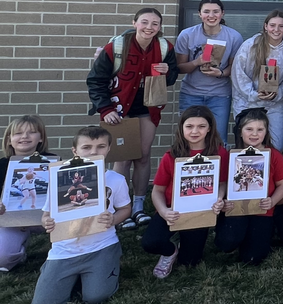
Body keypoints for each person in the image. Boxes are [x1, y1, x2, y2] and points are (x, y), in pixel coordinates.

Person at [86, 7, 179, 229]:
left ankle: (138, 206)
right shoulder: (117, 46)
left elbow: (172, 77)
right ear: (134, 22)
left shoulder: (164, 47)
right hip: (119, 107)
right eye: (144, 22)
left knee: (143, 155)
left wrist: (168, 71)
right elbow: (96, 80)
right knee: (123, 157)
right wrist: (105, 109)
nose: (149, 27)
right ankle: (120, 207)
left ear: (160, 27)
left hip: (148, 107)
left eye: (155, 23)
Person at [32, 127, 130, 304]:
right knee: (44, 301)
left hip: (102, 246)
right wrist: (46, 222)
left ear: (109, 149)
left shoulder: (116, 179)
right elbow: (46, 214)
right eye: (86, 147)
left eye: (101, 146)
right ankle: (62, 275)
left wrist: (114, 219)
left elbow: (125, 209)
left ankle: (92, 275)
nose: (93, 152)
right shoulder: (59, 178)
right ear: (75, 151)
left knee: (96, 296)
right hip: (64, 250)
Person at [143, 106, 228, 278]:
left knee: (189, 262)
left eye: (201, 126)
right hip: (173, 209)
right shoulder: (171, 155)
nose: (195, 131)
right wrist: (164, 211)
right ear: (182, 128)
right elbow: (157, 190)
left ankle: (186, 244)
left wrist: (219, 198)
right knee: (150, 243)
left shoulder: (219, 153)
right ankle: (170, 251)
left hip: (200, 211)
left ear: (209, 128)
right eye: (189, 126)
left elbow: (222, 183)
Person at [215, 109, 283, 265]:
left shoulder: (274, 155)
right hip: (236, 208)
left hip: (263, 210)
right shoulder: (231, 155)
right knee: (226, 243)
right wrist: (224, 201)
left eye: (260, 129)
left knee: (253, 259)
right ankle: (236, 236)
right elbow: (224, 183)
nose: (254, 134)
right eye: (249, 129)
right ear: (240, 131)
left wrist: (272, 201)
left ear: (266, 132)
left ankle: (260, 236)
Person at [174, 0, 244, 145]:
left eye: (215, 11)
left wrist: (221, 73)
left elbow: (234, 68)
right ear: (199, 14)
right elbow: (179, 68)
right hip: (191, 94)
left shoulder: (234, 37)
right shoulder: (187, 35)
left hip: (220, 95)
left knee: (218, 140)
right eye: (206, 11)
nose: (211, 16)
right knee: (188, 140)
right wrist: (197, 62)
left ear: (222, 13)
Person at [231, 10, 283, 150]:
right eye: (272, 25)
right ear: (265, 26)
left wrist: (278, 94)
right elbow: (238, 73)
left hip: (274, 105)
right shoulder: (250, 45)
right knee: (248, 146)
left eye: (281, 26)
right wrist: (254, 94)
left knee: (275, 146)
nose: (276, 30)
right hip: (247, 103)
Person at [0, 115, 52, 272]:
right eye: (18, 133)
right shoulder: (1, 165)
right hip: (11, 219)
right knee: (3, 259)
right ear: (9, 140)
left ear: (41, 138)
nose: (24, 136)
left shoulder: (53, 162)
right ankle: (19, 251)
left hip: (46, 218)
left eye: (32, 132)